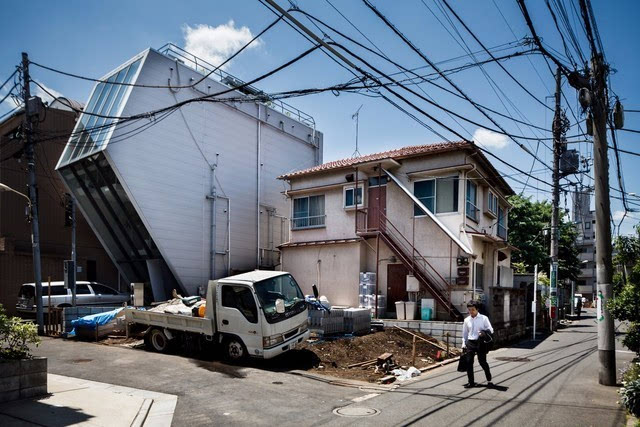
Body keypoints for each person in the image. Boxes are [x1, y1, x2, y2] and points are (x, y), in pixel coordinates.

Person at [462, 300, 494, 388]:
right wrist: (463, 344)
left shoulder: (484, 318)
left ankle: (488, 378)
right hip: (470, 342)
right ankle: (471, 382)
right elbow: (464, 333)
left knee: (482, 361)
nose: (471, 311)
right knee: (469, 362)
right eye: (469, 310)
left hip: (481, 342)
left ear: (477, 309)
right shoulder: (466, 320)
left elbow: (491, 330)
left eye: (472, 309)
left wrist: (483, 333)